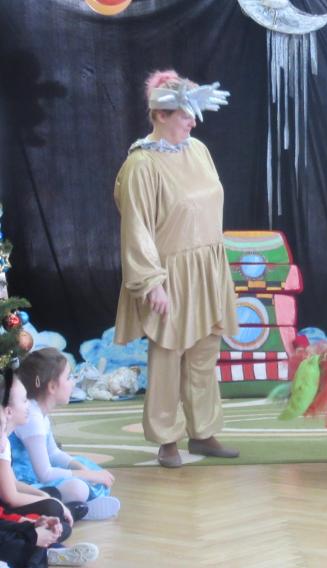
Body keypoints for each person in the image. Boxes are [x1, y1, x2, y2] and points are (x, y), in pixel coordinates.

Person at [113, 69, 239, 468]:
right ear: (161, 115)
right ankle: (166, 438)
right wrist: (152, 282)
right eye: (186, 115)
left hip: (208, 268)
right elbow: (136, 228)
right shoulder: (142, 164)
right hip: (170, 275)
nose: (193, 122)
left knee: (204, 354)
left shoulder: (198, 150)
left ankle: (203, 432)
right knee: (168, 358)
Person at [1, 368, 99, 566]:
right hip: (6, 510)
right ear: (8, 411)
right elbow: (11, 497)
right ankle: (47, 551)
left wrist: (33, 521)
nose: (29, 405)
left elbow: (10, 486)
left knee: (54, 513)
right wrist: (32, 530)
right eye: (24, 400)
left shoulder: (4, 441)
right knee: (49, 512)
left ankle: (47, 544)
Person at [10, 348, 120, 520]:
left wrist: (83, 469)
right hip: (25, 484)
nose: (73, 383)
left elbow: (53, 453)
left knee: (87, 466)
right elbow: (44, 474)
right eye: (69, 377)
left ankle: (80, 506)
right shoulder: (32, 418)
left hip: (37, 476)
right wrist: (87, 475)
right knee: (78, 488)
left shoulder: (39, 412)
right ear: (52, 386)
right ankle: (76, 508)